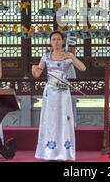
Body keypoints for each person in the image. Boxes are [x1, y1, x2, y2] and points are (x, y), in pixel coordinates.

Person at [32, 31, 86, 161]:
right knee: (50, 120)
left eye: (58, 39)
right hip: (50, 93)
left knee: (64, 119)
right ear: (51, 42)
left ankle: (64, 152)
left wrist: (72, 57)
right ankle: (49, 151)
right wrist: (34, 70)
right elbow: (37, 74)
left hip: (63, 93)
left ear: (62, 41)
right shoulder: (46, 57)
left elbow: (83, 68)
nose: (56, 42)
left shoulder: (68, 56)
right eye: (53, 39)